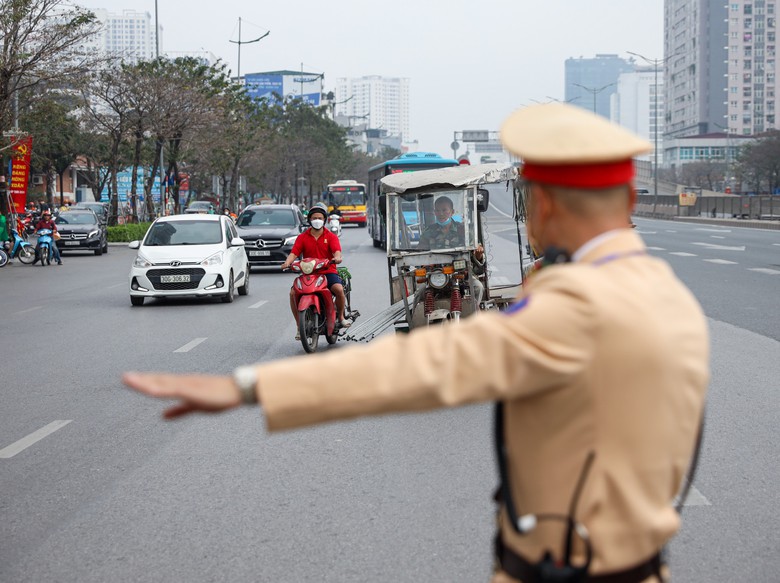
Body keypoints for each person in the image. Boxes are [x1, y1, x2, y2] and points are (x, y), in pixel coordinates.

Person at [123, 103, 709, 582]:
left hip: (567, 566)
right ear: (630, 203)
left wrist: (250, 388)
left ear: (545, 206)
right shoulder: (665, 293)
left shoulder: (577, 305)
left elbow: (424, 366)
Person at [280, 202, 350, 333]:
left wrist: (337, 258)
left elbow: (337, 251)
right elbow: (294, 253)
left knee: (339, 289)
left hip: (328, 272)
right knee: (293, 293)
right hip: (309, 273)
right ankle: (299, 325)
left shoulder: (331, 236)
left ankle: (341, 316)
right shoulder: (302, 237)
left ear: (324, 220)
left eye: (320, 218)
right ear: (309, 220)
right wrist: (287, 263)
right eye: (314, 218)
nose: (317, 220)